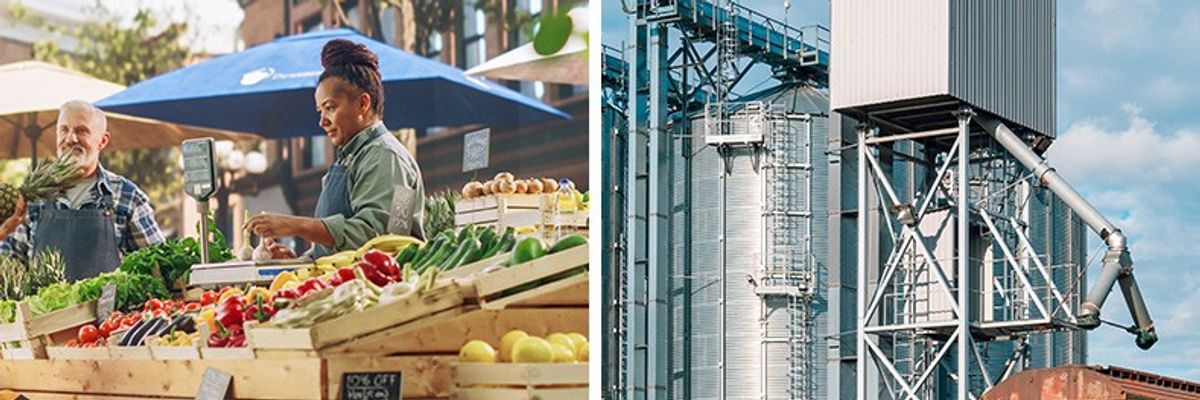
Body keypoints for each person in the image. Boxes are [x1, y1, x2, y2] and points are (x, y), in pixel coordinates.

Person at [246, 39, 425, 259]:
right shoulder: (349, 158)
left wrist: (299, 226)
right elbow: (336, 250)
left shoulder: (387, 156)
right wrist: (299, 261)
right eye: (320, 111)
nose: (322, 121)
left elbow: (383, 238)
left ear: (363, 104)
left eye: (330, 108)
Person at [0, 100, 165, 280]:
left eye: (81, 131)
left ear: (103, 140)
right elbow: (9, 267)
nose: (71, 139)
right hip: (43, 308)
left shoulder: (127, 197)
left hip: (110, 308)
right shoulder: (32, 200)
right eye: (64, 130)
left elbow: (158, 265)